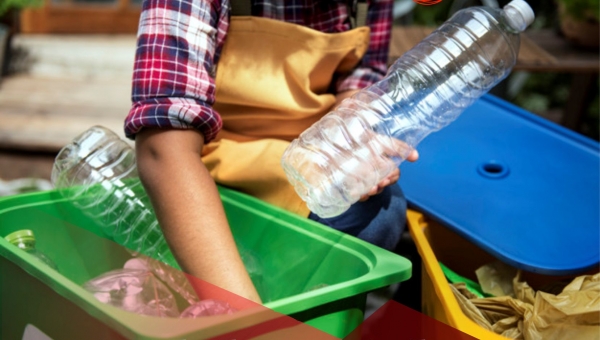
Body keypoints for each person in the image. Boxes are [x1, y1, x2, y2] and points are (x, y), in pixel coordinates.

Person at [124, 0, 418, 304]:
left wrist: (350, 142)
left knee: (381, 211)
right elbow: (163, 149)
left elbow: (360, 78)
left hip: (304, 163)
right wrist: (244, 317)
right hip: (207, 171)